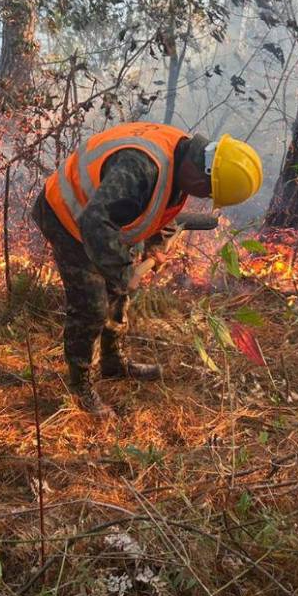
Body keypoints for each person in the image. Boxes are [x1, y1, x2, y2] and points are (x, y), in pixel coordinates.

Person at [32, 123, 262, 416]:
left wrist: (156, 243)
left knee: (118, 293)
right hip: (67, 214)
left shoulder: (183, 158)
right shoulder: (140, 167)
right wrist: (123, 270)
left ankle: (113, 363)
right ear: (203, 173)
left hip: (104, 219)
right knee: (92, 305)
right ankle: (80, 387)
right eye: (207, 192)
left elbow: (161, 201)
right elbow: (95, 222)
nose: (203, 198)